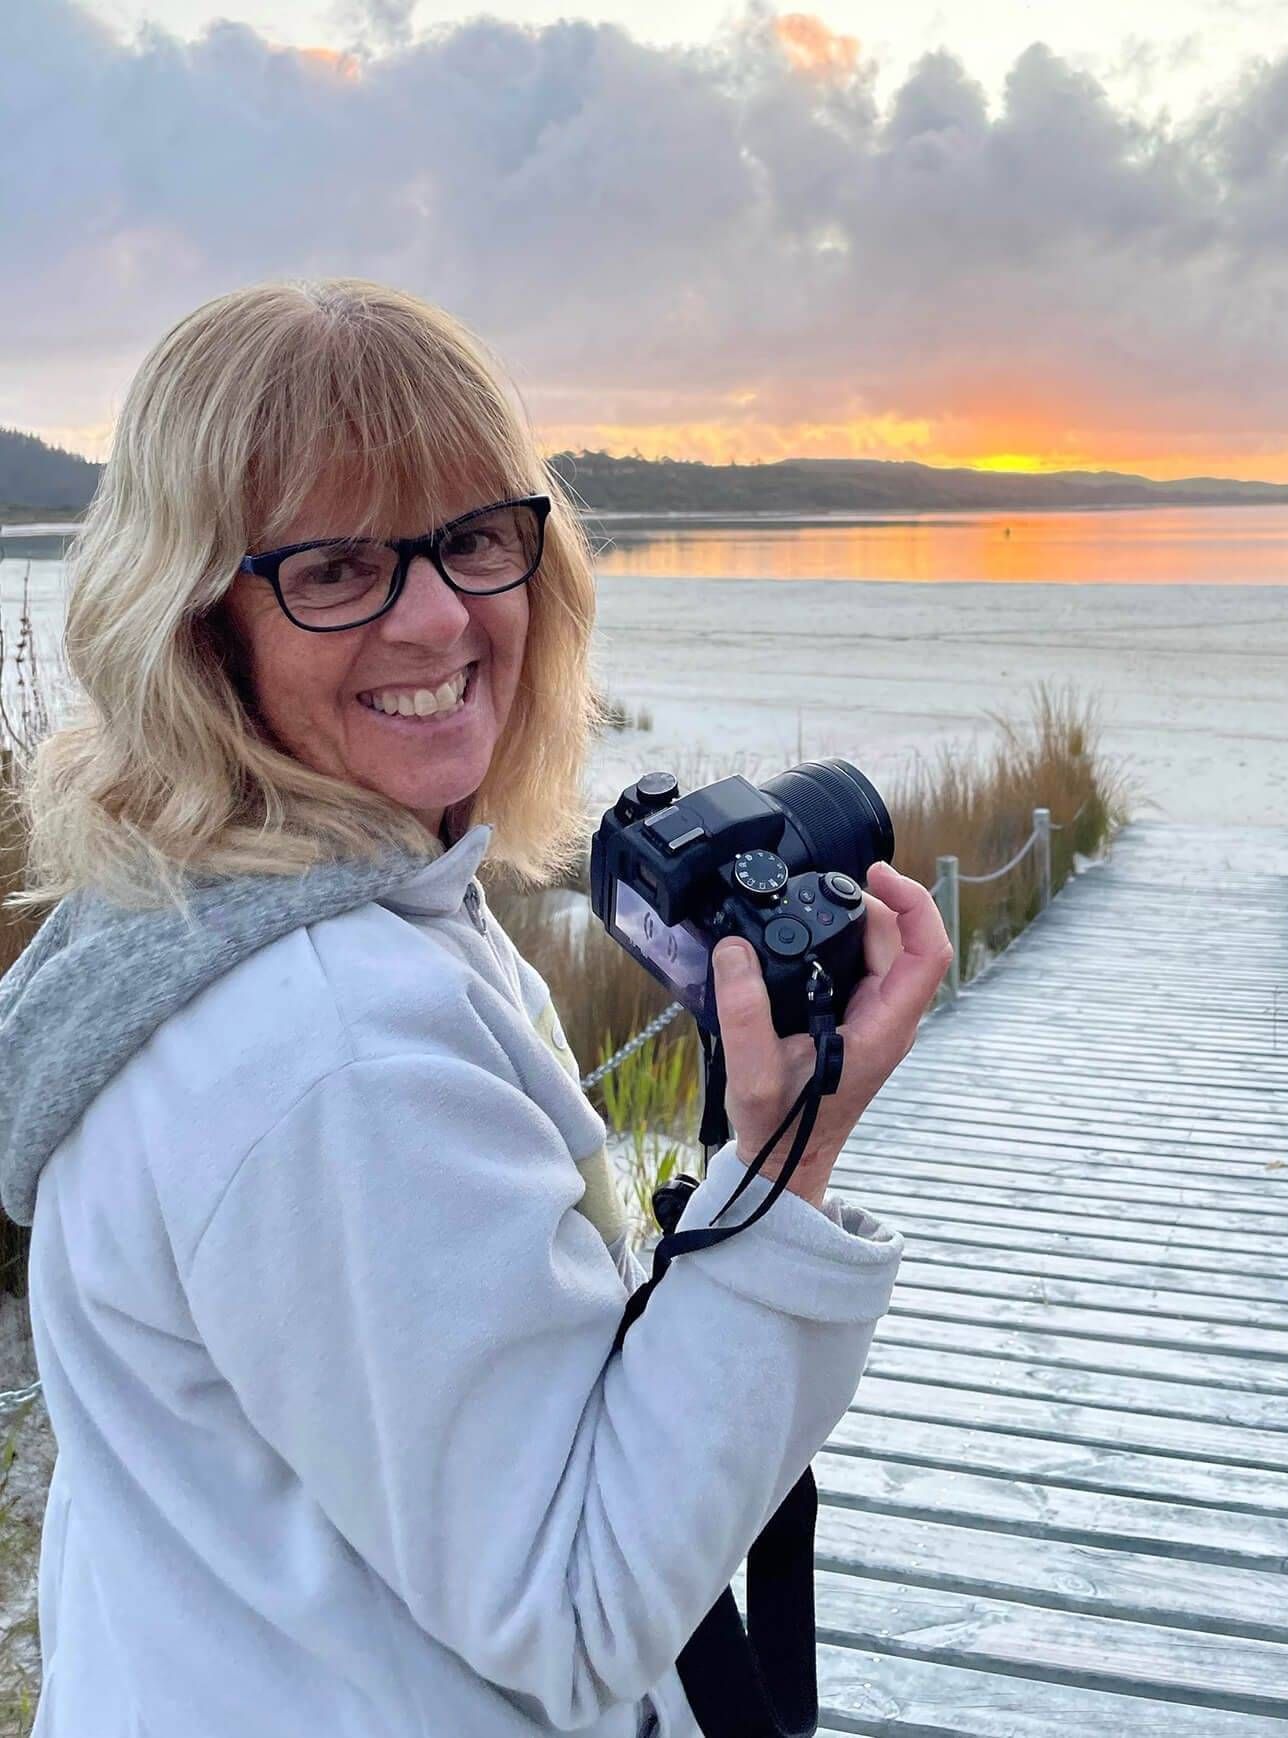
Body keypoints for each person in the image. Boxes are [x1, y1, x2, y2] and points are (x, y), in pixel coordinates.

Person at [0, 279, 952, 1737]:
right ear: (196, 624)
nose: (440, 615)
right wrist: (788, 1166)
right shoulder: (336, 1050)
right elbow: (573, 1610)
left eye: (473, 539)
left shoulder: (183, 912)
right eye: (335, 567)